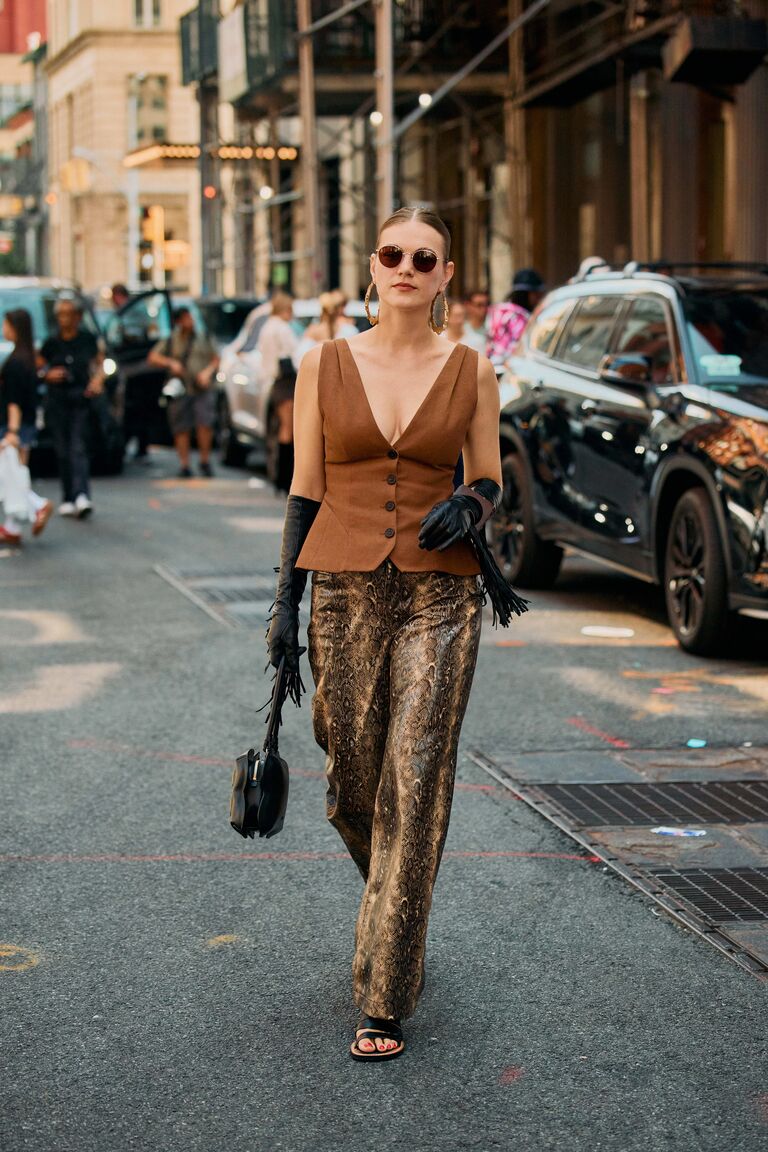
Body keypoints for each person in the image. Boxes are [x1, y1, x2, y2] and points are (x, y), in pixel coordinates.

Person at [267, 205, 505, 1062]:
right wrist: (282, 606)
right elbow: (303, 492)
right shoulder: (322, 365)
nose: (406, 266)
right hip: (343, 590)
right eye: (392, 253)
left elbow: (490, 478)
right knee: (353, 784)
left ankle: (385, 993)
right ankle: (399, 905)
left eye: (425, 257)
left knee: (416, 776)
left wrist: (468, 504)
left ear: (444, 276)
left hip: (443, 594)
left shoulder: (471, 369)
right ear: (373, 267)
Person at [39, 298, 104, 519]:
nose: (66, 319)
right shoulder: (51, 342)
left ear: (78, 317)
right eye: (62, 314)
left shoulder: (87, 340)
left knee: (78, 447)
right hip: (57, 401)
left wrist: (97, 381)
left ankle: (81, 495)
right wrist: (47, 375)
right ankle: (68, 495)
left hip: (80, 399)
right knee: (62, 449)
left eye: (70, 314)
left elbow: (100, 364)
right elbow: (38, 366)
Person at [0, 309, 53, 544]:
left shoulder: (15, 363)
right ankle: (12, 526)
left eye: (5, 324)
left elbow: (14, 401)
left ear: (14, 327)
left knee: (11, 474)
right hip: (26, 424)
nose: (3, 329)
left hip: (14, 426)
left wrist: (12, 432)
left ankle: (38, 505)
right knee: (14, 473)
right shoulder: (29, 358)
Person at [147, 307, 219, 478]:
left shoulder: (203, 337)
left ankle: (204, 460)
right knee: (181, 427)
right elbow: (152, 357)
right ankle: (184, 464)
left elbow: (216, 358)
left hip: (201, 387)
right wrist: (170, 363)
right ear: (178, 322)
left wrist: (207, 373)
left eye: (191, 317)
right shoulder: (172, 340)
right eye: (186, 318)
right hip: (180, 388)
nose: (190, 321)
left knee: (205, 423)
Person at [257, 292, 299, 493]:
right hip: (286, 382)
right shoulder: (281, 329)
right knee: (287, 429)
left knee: (283, 428)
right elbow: (293, 355)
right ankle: (285, 478)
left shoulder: (266, 328)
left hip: (276, 382)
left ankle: (280, 478)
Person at [486, 269, 546, 366]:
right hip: (508, 370)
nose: (538, 299)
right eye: (536, 294)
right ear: (527, 294)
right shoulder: (520, 318)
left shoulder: (497, 310)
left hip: (490, 368)